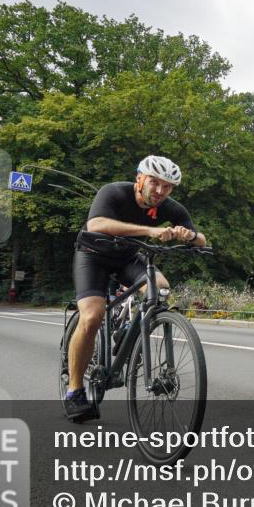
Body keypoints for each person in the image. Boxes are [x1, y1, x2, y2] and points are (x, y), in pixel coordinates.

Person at [65, 155, 207, 422]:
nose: (160, 191)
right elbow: (96, 224)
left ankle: (128, 332)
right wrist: (150, 231)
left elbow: (201, 238)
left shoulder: (171, 207)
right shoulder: (113, 192)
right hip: (93, 254)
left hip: (128, 257)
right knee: (93, 316)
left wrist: (189, 236)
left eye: (168, 187)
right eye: (155, 183)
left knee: (161, 288)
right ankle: (74, 391)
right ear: (139, 178)